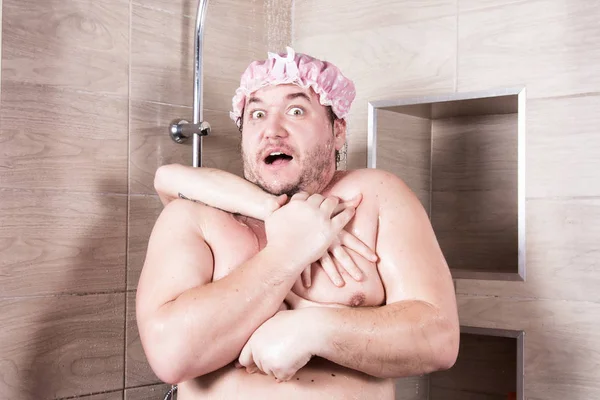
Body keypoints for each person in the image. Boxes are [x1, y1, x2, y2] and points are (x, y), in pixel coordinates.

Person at [136, 47, 459, 400]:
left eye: (295, 110)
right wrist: (288, 253)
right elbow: (169, 356)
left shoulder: (375, 198)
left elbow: (439, 339)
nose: (272, 130)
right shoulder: (195, 216)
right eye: (257, 114)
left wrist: (315, 329)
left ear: (338, 131)